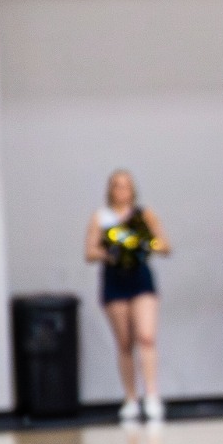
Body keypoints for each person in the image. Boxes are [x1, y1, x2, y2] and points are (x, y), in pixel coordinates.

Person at [84, 169, 169, 422]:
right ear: (110, 189)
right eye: (116, 186)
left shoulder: (144, 214)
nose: (121, 191)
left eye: (126, 186)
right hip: (114, 280)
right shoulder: (102, 218)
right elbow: (89, 251)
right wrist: (110, 251)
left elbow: (163, 244)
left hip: (140, 279)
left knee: (146, 336)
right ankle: (131, 397)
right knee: (124, 342)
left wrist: (142, 244)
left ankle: (151, 395)